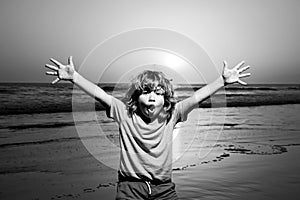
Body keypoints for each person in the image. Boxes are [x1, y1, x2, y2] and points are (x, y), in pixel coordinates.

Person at [45, 56, 250, 200]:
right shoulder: (124, 113)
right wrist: (75, 78)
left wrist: (222, 81)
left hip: (165, 188)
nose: (152, 96)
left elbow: (197, 97)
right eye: (145, 92)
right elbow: (100, 94)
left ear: (166, 99)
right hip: (129, 188)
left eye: (158, 93)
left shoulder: (172, 115)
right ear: (135, 98)